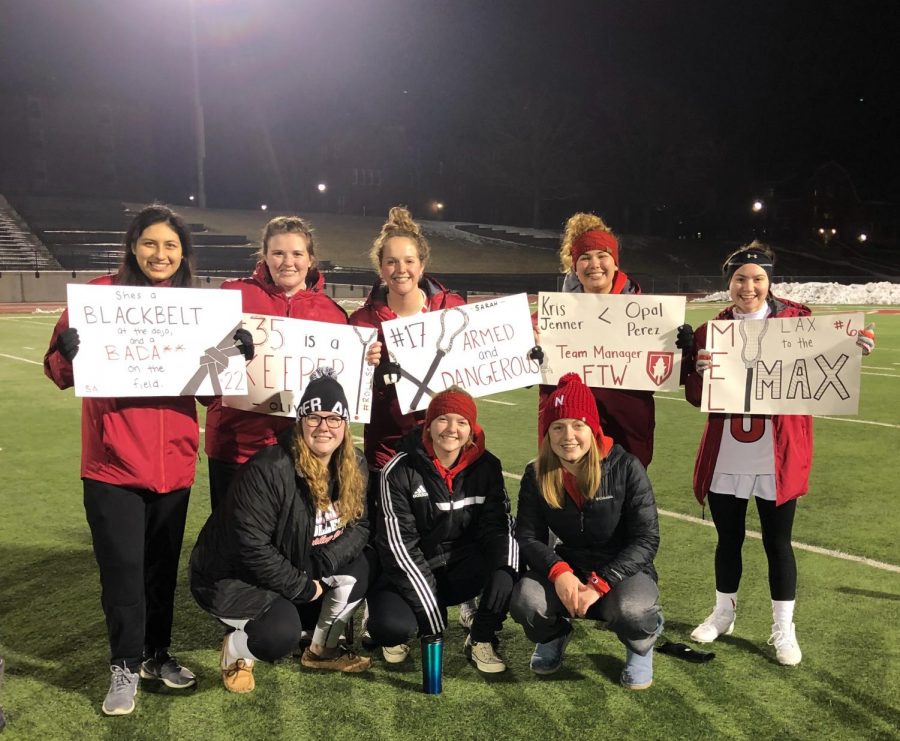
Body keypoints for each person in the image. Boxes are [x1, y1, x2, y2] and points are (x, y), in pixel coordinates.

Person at [44, 205, 253, 716]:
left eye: (171, 246)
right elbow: (59, 371)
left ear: (183, 254)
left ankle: (156, 654)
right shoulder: (97, 298)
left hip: (173, 465)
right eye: (151, 243)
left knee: (160, 571)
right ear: (133, 246)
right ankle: (123, 662)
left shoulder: (195, 308)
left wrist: (235, 355)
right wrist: (66, 353)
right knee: (122, 571)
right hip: (112, 466)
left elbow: (210, 395)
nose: (160, 254)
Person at [676, 241, 876, 666]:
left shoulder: (796, 322)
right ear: (728, 283)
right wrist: (693, 367)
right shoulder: (710, 331)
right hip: (728, 448)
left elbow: (828, 358)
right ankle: (723, 613)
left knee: (777, 543)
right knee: (726, 539)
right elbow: (698, 397)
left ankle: (784, 627)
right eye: (739, 279)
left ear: (769, 282)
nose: (748, 287)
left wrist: (854, 346)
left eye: (757, 278)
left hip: (776, 451)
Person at [190, 368, 373, 693]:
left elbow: (359, 526)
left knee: (358, 568)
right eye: (314, 417)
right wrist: (301, 585)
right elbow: (250, 547)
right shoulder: (269, 470)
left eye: (333, 418)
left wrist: (321, 565)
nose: (324, 427)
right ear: (300, 420)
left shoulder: (354, 464)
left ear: (346, 424)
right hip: (232, 575)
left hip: (298, 560)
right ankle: (236, 650)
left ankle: (322, 650)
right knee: (280, 634)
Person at [348, 207, 476, 628]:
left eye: (408, 261)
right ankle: (387, 596)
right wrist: (362, 364)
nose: (400, 269)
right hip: (389, 443)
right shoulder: (364, 320)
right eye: (391, 261)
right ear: (380, 267)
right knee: (393, 527)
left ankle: (463, 592)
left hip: (449, 438)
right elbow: (350, 390)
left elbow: (481, 361)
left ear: (422, 264)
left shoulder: (451, 307)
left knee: (455, 517)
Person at [510, 373, 663, 689]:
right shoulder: (537, 473)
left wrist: (600, 582)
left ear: (592, 428)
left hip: (621, 572)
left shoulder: (625, 467)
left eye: (577, 425)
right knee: (526, 600)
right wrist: (559, 571)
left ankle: (641, 646)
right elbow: (527, 536)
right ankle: (555, 634)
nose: (568, 435)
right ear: (547, 433)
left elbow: (646, 539)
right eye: (558, 426)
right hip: (570, 566)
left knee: (634, 610)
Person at [204, 215, 355, 510]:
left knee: (290, 537)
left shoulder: (333, 314)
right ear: (265, 256)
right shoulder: (233, 295)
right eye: (278, 253)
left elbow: (340, 385)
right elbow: (205, 367)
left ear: (310, 259)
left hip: (302, 450)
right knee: (232, 539)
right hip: (237, 445)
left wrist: (365, 360)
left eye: (297, 253)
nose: (288, 261)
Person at [367, 387, 519, 674]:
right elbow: (401, 548)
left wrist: (503, 571)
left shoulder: (488, 467)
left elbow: (498, 528)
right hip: (410, 571)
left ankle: (481, 638)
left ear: (471, 429)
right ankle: (394, 623)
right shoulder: (398, 470)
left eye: (461, 422)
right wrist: (428, 609)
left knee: (510, 561)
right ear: (428, 425)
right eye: (442, 419)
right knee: (389, 627)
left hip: (461, 567)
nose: (451, 429)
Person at [536, 213, 656, 468]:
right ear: (574, 265)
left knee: (625, 500)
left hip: (626, 427)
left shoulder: (646, 314)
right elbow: (521, 367)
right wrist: (529, 352)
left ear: (615, 262)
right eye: (585, 257)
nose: (594, 264)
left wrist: (681, 348)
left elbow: (665, 373)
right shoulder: (552, 315)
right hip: (567, 428)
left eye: (602, 255)